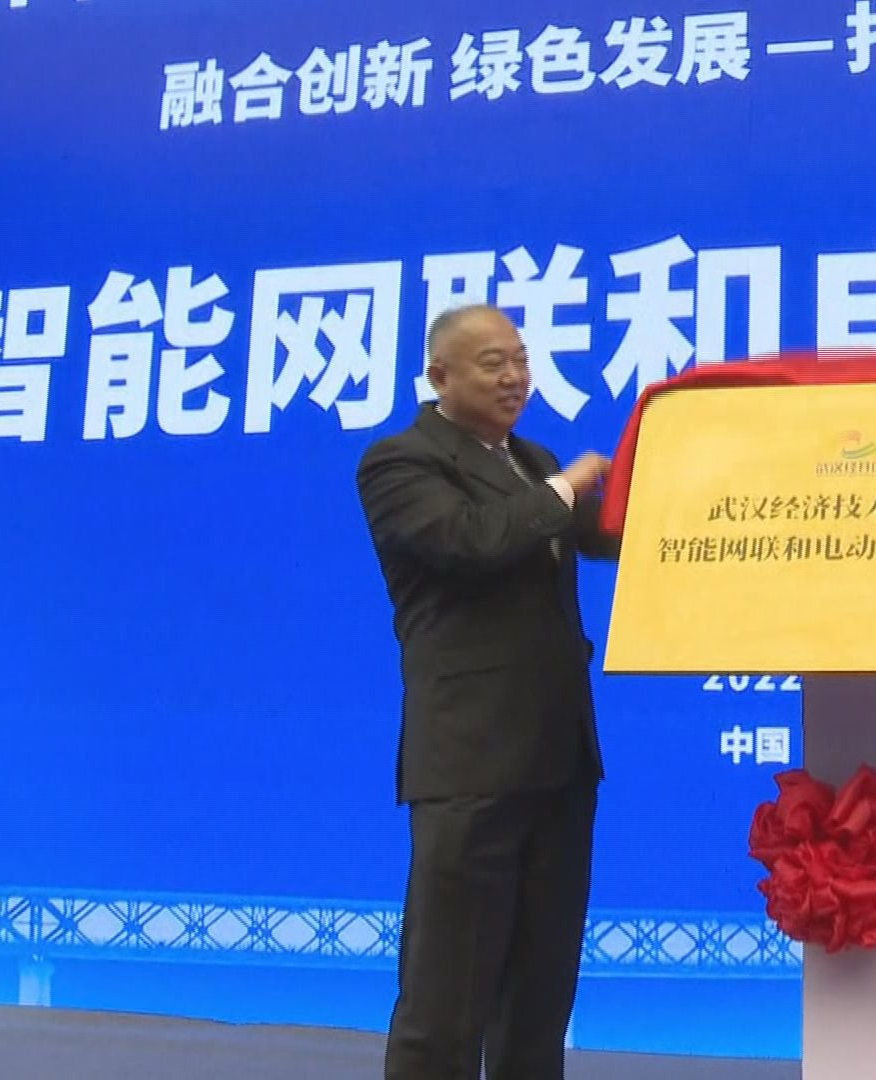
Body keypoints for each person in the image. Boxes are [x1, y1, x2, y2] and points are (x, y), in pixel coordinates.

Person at [356, 304, 621, 1080]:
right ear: (440, 376)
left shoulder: (531, 459)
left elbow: (609, 534)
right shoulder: (399, 463)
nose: (515, 378)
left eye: (521, 359)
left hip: (559, 761)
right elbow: (473, 542)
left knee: (539, 999)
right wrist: (567, 487)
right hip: (470, 767)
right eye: (493, 363)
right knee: (445, 1001)